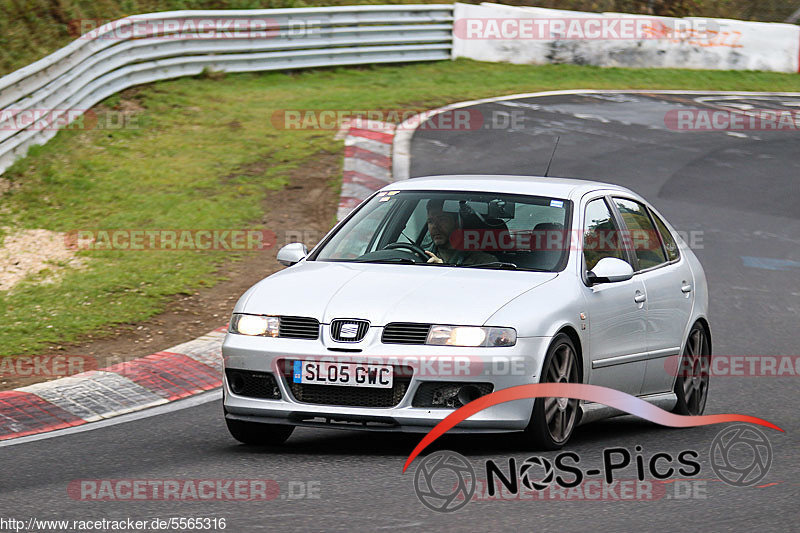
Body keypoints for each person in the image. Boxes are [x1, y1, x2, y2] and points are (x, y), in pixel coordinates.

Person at [424, 199, 497, 265]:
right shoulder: (421, 257)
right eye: (430, 221)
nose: (435, 226)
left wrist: (443, 268)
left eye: (442, 219)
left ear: (458, 223)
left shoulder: (485, 262)